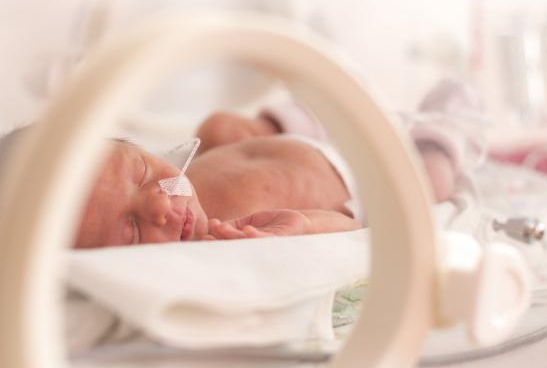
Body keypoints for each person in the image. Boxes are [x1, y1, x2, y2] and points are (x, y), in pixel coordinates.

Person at [74, 79, 486, 248]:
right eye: (130, 231)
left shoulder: (177, 178)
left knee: (220, 128)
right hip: (368, 187)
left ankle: (282, 118)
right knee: (429, 185)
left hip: (310, 139)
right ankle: (448, 130)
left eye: (141, 172)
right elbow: (350, 234)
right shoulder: (225, 240)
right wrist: (305, 226)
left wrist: (256, 127)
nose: (161, 203)